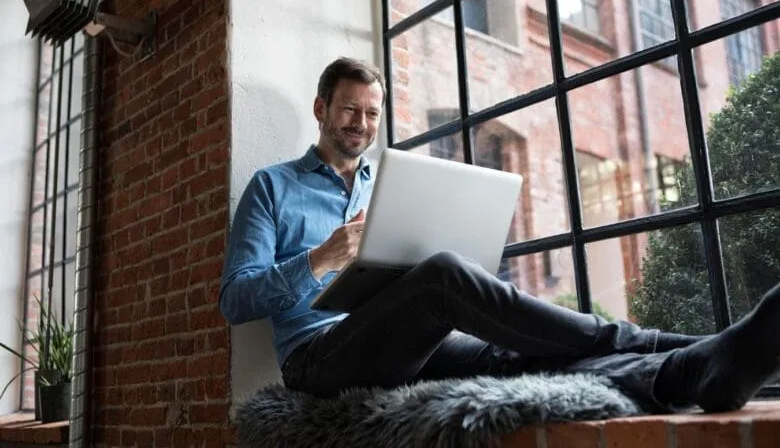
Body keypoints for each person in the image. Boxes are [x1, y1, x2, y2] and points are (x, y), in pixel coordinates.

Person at [219, 56, 780, 414]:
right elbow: (236, 300)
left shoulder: (387, 183)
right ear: (321, 109)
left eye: (371, 113)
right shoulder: (273, 187)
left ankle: (693, 369)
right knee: (440, 276)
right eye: (348, 110)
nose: (360, 125)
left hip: (403, 343)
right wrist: (319, 259)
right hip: (317, 360)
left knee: (519, 354)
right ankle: (643, 340)